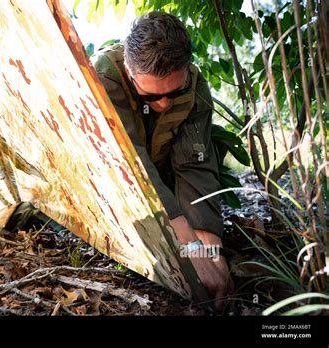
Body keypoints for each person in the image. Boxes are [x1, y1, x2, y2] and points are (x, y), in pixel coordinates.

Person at [92, 11, 233, 311]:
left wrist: (210, 249)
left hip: (161, 172)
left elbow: (196, 163)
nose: (165, 104)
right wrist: (188, 245)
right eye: (151, 96)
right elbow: (130, 163)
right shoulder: (102, 76)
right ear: (130, 72)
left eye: (174, 91)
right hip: (110, 177)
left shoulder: (194, 87)